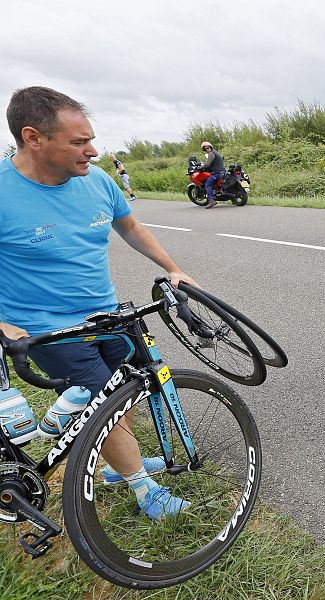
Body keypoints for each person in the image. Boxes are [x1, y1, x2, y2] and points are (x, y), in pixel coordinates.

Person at [0, 86, 199, 521]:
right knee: (101, 402)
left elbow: (129, 226)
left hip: (107, 313)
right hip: (48, 327)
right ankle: (144, 488)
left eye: (90, 139)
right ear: (33, 138)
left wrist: (173, 268)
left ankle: (113, 465)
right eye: (79, 142)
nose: (92, 151)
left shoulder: (96, 180)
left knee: (122, 390)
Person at [198, 140, 225, 209]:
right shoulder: (216, 152)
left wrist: (201, 167)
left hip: (217, 173)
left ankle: (211, 201)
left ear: (209, 147)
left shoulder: (211, 154)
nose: (206, 150)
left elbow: (207, 164)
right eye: (205, 149)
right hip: (222, 172)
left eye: (206, 148)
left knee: (207, 185)